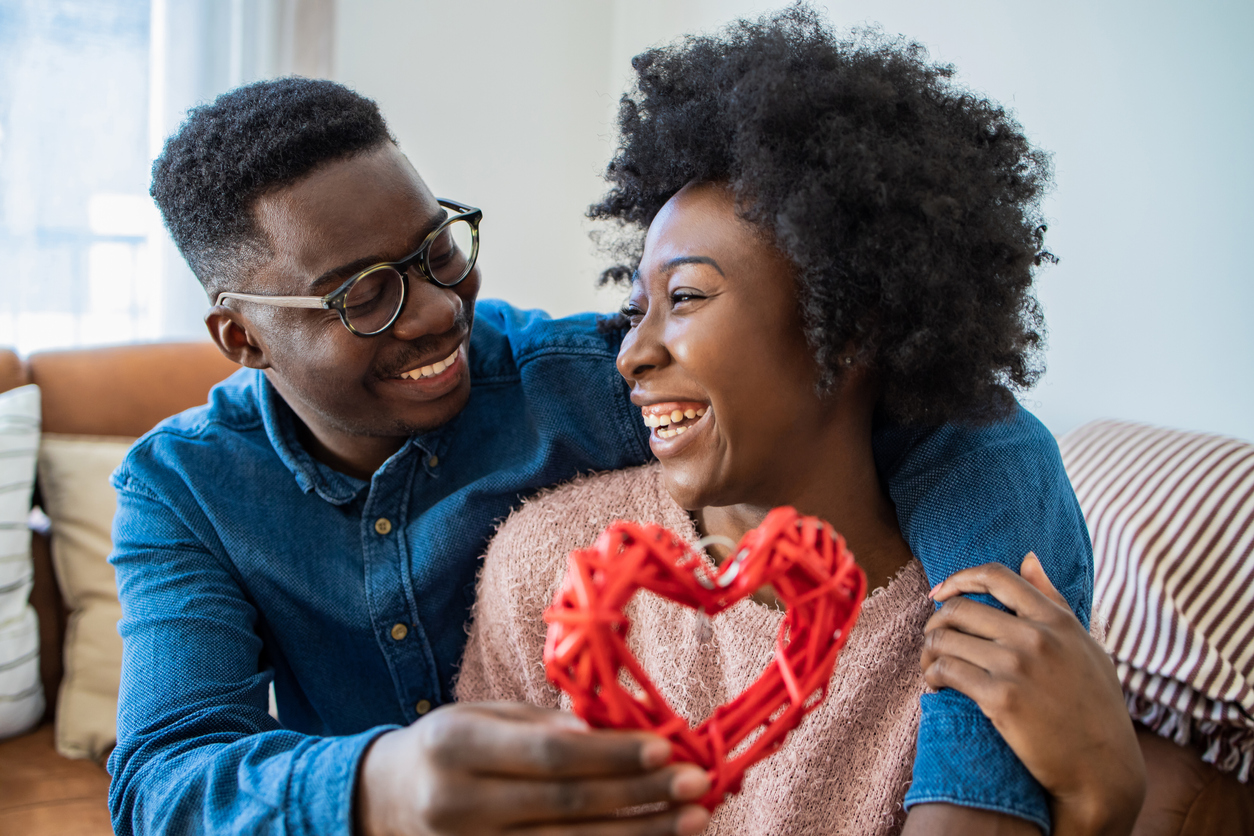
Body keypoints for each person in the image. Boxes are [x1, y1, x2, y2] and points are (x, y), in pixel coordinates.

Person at [110, 28, 1092, 836]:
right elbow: (161, 777)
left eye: (438, 250)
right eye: (365, 294)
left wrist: (978, 773)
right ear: (242, 336)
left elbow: (971, 431)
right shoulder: (180, 489)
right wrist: (378, 785)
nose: (434, 313)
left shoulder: (570, 383)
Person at [454, 10, 1143, 836]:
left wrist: (1102, 804)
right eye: (635, 309)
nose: (632, 354)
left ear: (848, 326)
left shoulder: (978, 631)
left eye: (686, 298)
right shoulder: (544, 568)